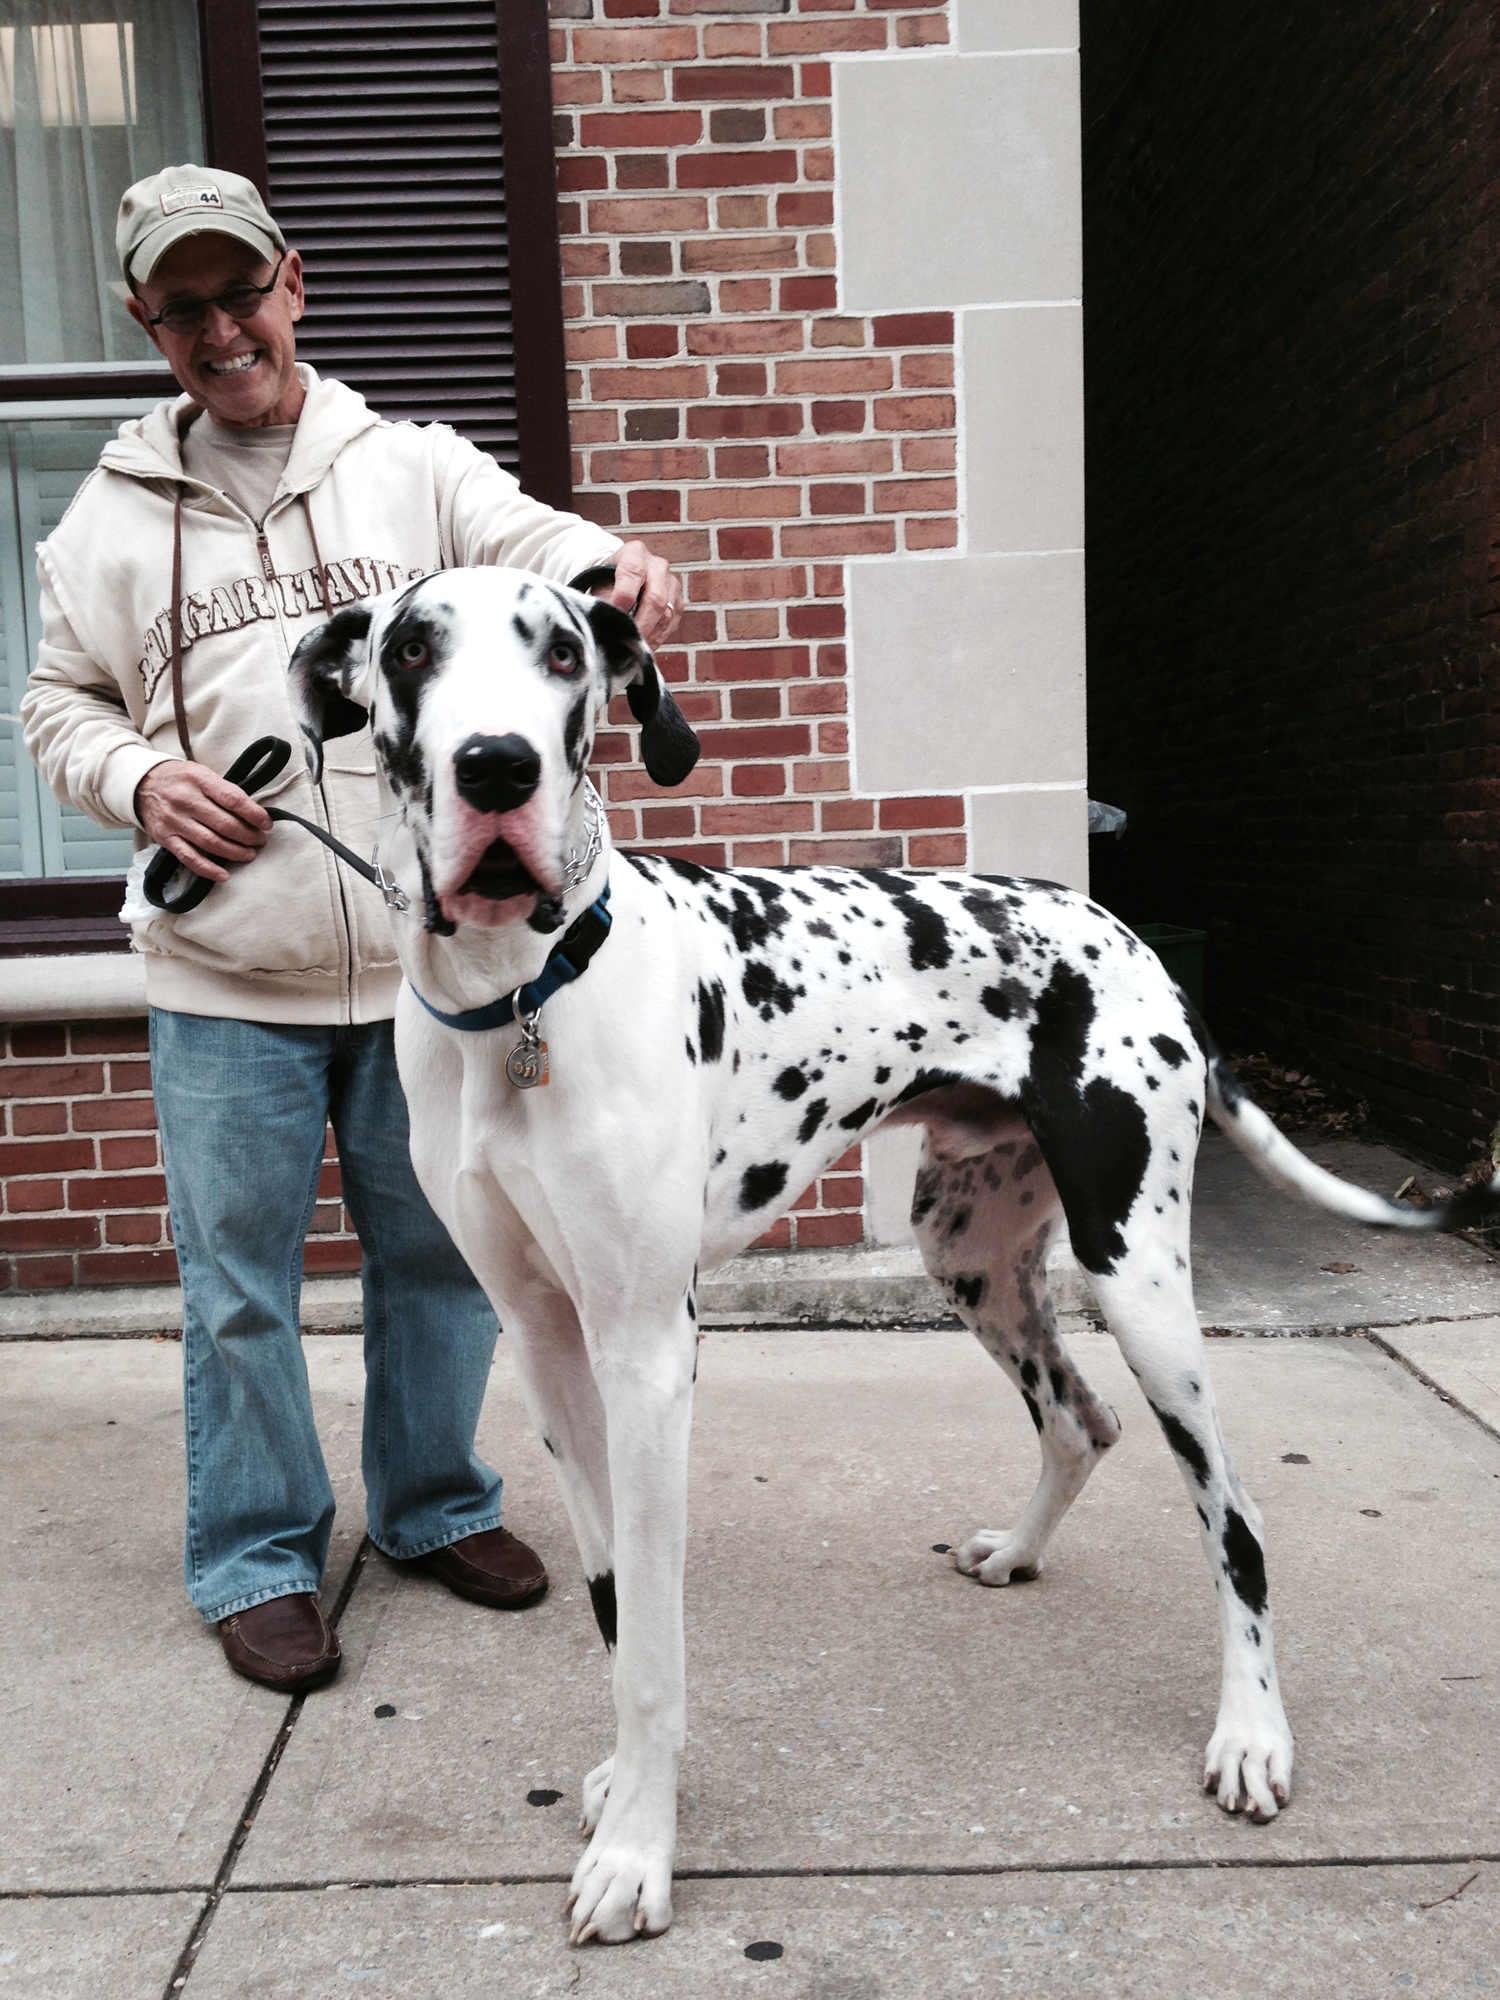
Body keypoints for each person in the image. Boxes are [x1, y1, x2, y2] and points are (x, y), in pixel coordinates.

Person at [22, 165, 678, 1694]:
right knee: (237, 1283)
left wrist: (609, 566)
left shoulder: (413, 469)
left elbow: (540, 551)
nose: (222, 327)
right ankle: (258, 1557)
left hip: (424, 976)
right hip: (222, 973)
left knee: (440, 1260)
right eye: (184, 307)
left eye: (241, 291)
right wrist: (139, 775)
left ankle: (435, 1507)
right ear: (147, 323)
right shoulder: (100, 526)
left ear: (293, 285)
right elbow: (55, 704)